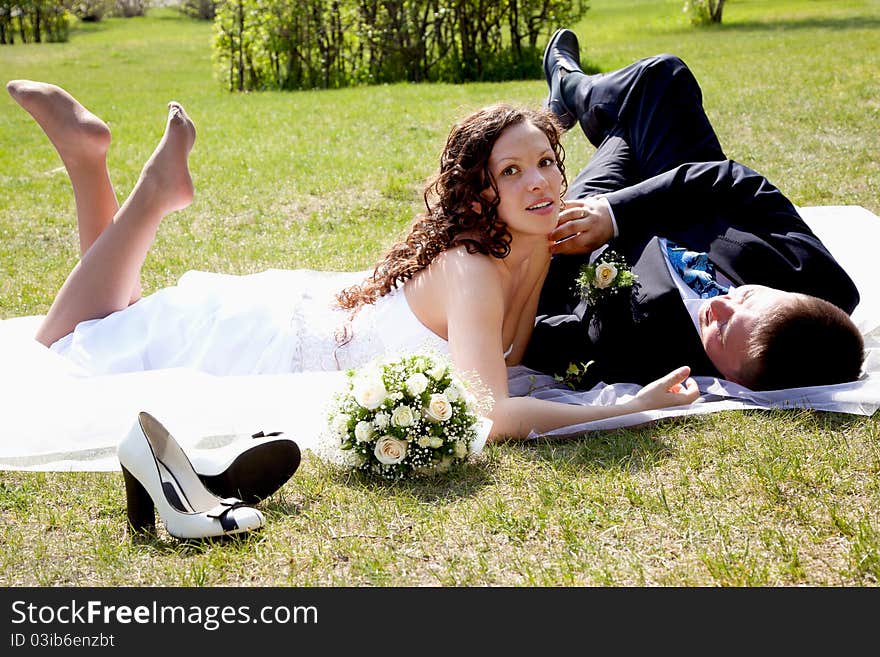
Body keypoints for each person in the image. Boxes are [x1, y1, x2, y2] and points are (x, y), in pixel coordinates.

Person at [5, 79, 700, 446]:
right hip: (266, 347)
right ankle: (150, 194)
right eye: (512, 171)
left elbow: (634, 167)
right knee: (62, 348)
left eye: (546, 163)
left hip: (313, 315)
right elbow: (491, 415)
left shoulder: (543, 237)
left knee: (103, 324)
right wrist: (624, 409)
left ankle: (85, 161)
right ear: (481, 190)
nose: (541, 183)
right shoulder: (473, 269)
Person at [524, 29, 865, 391]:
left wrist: (556, 239)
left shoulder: (644, 357)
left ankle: (571, 95)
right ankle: (573, 87)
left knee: (632, 115)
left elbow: (548, 324)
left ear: (736, 379)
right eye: (745, 295)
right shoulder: (822, 280)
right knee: (663, 76)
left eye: (723, 331)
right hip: (673, 193)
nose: (719, 307)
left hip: (577, 232)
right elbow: (735, 181)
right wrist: (613, 213)